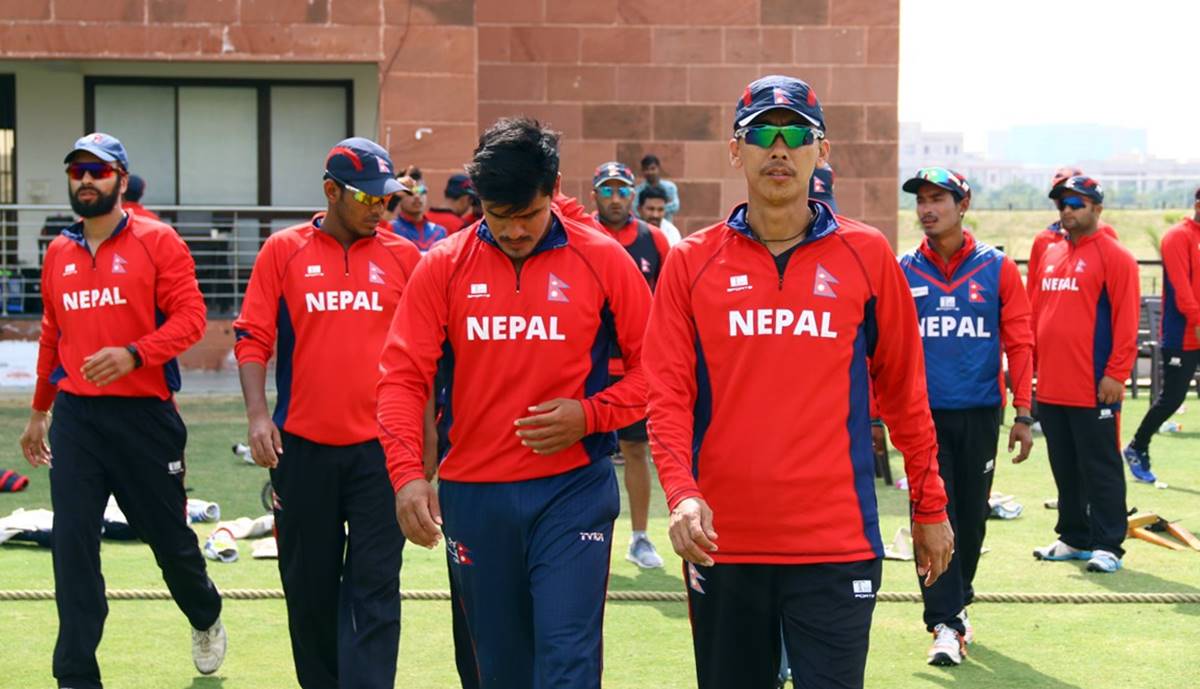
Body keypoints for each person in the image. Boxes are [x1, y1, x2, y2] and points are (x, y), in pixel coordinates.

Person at [643, 75, 953, 689]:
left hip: (837, 544)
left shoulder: (867, 255)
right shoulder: (691, 261)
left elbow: (904, 393)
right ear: (737, 150)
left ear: (821, 151)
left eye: (796, 134)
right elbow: (668, 396)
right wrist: (680, 493)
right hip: (722, 543)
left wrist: (930, 504)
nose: (779, 148)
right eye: (762, 133)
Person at [378, 117, 653, 688]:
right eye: (497, 215)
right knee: (498, 670)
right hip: (474, 496)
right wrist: (407, 476)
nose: (514, 231)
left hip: (573, 490)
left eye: (527, 214)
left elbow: (660, 374)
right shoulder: (444, 264)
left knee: (567, 660)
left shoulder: (602, 259)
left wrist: (590, 415)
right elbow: (402, 378)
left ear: (555, 189)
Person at [18, 133, 224, 689]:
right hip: (77, 420)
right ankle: (76, 675)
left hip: (144, 420)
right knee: (73, 546)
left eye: (99, 170)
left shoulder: (158, 240)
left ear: (121, 180)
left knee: (170, 542)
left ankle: (205, 613)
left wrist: (135, 354)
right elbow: (52, 335)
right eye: (77, 171)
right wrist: (39, 411)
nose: (87, 179)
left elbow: (192, 318)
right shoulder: (58, 252)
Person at [233, 137, 425, 689]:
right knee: (309, 591)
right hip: (302, 452)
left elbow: (428, 356)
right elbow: (252, 338)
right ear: (331, 192)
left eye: (386, 199)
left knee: (375, 589)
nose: (380, 209)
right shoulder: (283, 251)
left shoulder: (404, 258)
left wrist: (426, 447)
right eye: (368, 198)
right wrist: (258, 417)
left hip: (382, 456)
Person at [899, 166, 1035, 665]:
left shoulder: (997, 268)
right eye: (921, 200)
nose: (927, 209)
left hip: (980, 413)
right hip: (922, 419)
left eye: (938, 199)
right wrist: (877, 415)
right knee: (931, 515)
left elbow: (1020, 341)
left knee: (971, 521)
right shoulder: (903, 268)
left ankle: (957, 604)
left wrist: (1024, 412)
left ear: (963, 205)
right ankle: (944, 622)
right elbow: (883, 348)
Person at [1030, 175, 1138, 574]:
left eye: (1077, 203)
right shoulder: (1051, 252)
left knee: (1101, 467)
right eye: (1062, 203)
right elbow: (1036, 314)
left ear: (1097, 208)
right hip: (1052, 385)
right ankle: (1074, 537)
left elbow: (1127, 321)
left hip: (1094, 385)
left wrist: (1116, 373)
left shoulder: (1116, 256)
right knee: (1065, 467)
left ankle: (1108, 545)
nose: (1068, 210)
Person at [591, 160, 671, 569]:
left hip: (636, 367)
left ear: (633, 195)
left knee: (637, 449)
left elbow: (671, 299)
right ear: (594, 195)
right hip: (588, 366)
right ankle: (583, 536)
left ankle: (639, 537)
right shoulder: (580, 235)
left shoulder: (653, 239)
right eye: (607, 189)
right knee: (585, 454)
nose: (615, 198)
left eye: (622, 189)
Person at [1123, 186, 1200, 483]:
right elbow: (1182, 291)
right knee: (1172, 399)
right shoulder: (1177, 237)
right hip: (1183, 335)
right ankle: (1137, 446)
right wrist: (1196, 320)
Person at [1026, 166, 1116, 304]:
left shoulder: (1104, 233)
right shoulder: (1043, 239)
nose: (1065, 197)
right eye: (1060, 191)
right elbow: (1033, 288)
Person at [391, 176, 447, 253]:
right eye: (411, 192)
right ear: (399, 196)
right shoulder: (391, 229)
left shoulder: (439, 232)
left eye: (421, 191)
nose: (417, 196)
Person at [635, 154, 680, 223]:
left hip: (666, 225)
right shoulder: (638, 190)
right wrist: (663, 206)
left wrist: (649, 208)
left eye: (653, 168)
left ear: (659, 169)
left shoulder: (670, 187)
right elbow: (635, 210)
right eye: (646, 169)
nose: (650, 172)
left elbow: (675, 206)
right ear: (642, 171)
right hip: (645, 226)